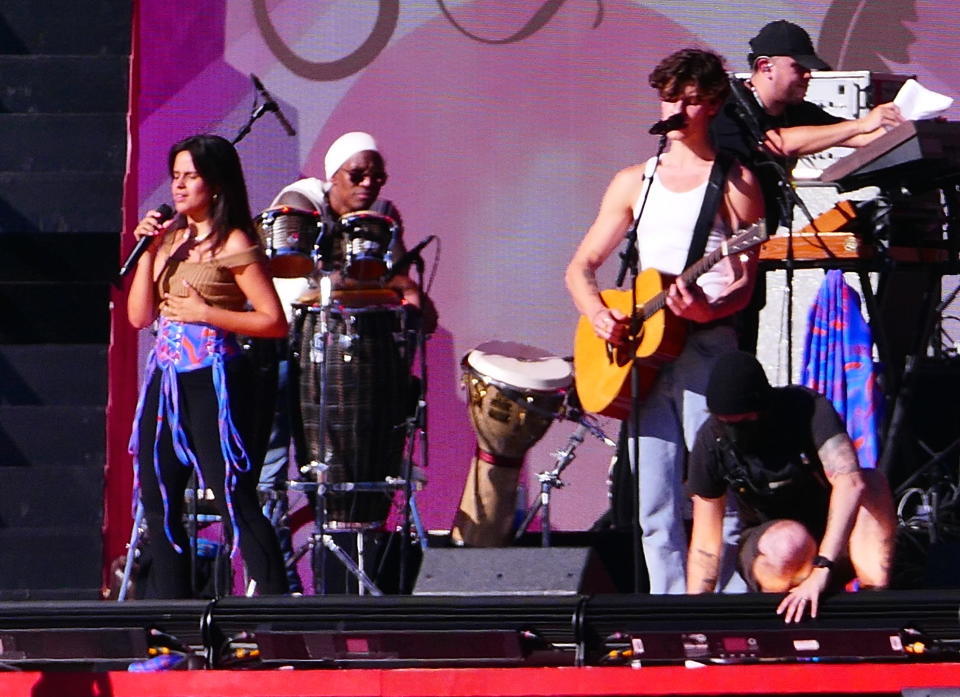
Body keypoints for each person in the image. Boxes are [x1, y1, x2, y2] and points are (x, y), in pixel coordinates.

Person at [565, 49, 765, 594]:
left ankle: (720, 616)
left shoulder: (735, 180)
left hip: (707, 346)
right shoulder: (636, 181)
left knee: (713, 493)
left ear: (715, 104)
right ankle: (667, 617)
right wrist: (600, 315)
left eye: (691, 99)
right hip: (645, 353)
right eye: (669, 97)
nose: (677, 108)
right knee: (653, 498)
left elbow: (746, 281)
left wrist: (710, 308)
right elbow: (581, 267)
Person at [257, 132, 435, 586]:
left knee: (354, 470)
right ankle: (282, 588)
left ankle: (354, 578)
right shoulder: (300, 202)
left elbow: (396, 277)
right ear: (333, 175)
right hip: (287, 346)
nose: (369, 183)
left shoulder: (382, 216)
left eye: (377, 175)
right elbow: (301, 283)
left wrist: (413, 297)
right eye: (358, 174)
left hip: (349, 358)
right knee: (274, 473)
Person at [127, 134, 289, 598]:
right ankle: (174, 623)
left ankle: (279, 623)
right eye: (175, 176)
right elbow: (140, 316)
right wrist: (147, 252)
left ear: (215, 185)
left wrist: (207, 314)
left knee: (232, 497)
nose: (178, 187)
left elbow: (273, 321)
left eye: (190, 177)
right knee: (159, 499)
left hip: (213, 379)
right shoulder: (172, 241)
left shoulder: (233, 241)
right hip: (165, 378)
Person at [686, 351, 896, 623]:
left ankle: (876, 608)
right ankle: (782, 620)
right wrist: (693, 622)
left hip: (835, 539)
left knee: (872, 483)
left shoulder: (805, 408)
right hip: (773, 550)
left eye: (745, 421)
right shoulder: (710, 439)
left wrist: (823, 567)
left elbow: (850, 482)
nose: (735, 431)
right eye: (727, 423)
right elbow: (705, 542)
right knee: (788, 542)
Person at [711, 19, 906, 232]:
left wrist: (911, 128)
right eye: (799, 67)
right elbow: (776, 143)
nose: (808, 75)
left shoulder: (799, 110)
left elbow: (861, 137)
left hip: (760, 232)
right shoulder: (729, 106)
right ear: (765, 66)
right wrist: (861, 124)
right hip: (718, 232)